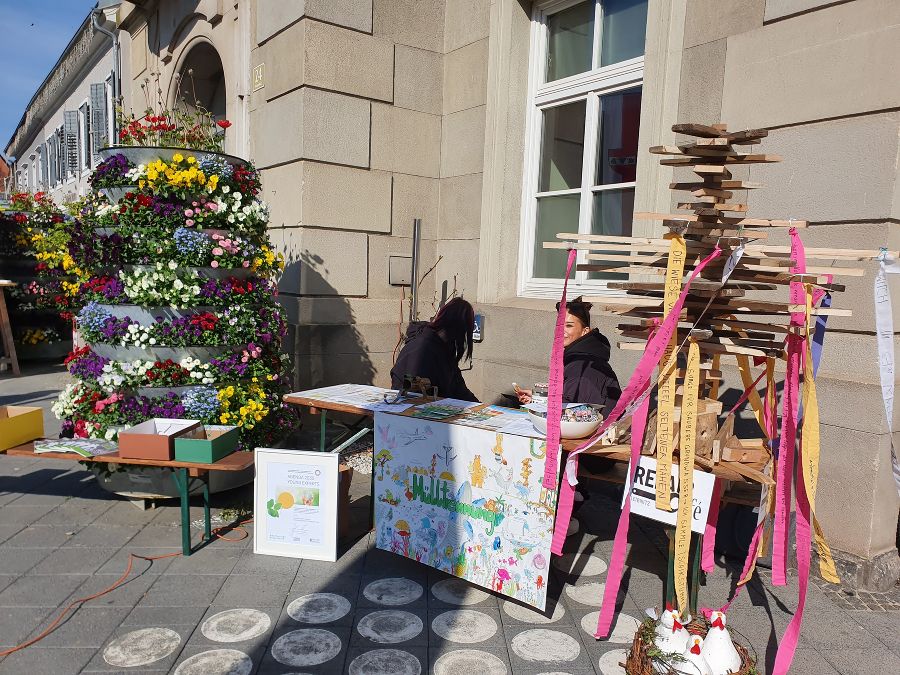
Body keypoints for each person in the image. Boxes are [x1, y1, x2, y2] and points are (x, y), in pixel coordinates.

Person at [517, 297, 621, 415]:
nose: (561, 331)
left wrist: (540, 404)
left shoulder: (583, 364)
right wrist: (538, 398)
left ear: (585, 331)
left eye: (569, 326)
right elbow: (571, 398)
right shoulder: (581, 357)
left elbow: (573, 412)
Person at [391, 297, 478, 402]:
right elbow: (411, 392)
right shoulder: (422, 348)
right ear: (458, 328)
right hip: (410, 410)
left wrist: (481, 408)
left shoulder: (446, 348)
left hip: (431, 407)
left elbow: (458, 388)